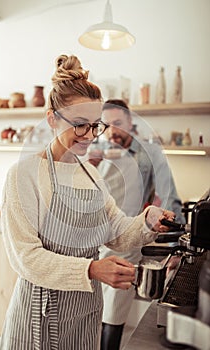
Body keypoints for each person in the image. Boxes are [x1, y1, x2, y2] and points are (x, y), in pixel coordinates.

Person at [0, 55, 174, 350]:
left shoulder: (91, 174)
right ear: (52, 118)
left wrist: (147, 220)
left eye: (96, 126)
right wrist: (91, 270)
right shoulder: (24, 174)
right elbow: (26, 258)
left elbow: (117, 232)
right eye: (80, 125)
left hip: (85, 314)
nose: (90, 136)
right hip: (38, 316)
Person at [88, 99, 185, 350]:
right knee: (89, 312)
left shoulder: (150, 154)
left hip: (128, 241)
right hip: (95, 242)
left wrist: (175, 246)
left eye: (118, 124)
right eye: (106, 125)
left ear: (131, 124)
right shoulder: (95, 151)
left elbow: (168, 195)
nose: (112, 131)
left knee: (113, 313)